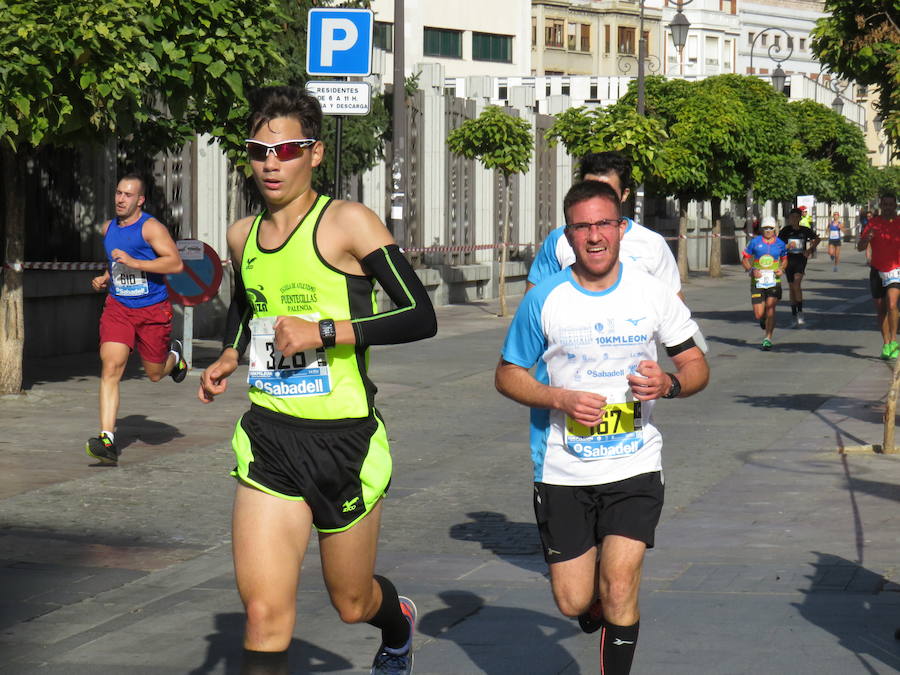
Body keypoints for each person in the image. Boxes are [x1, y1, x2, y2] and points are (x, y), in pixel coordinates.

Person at [198, 86, 437, 675]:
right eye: (259, 151)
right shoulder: (241, 235)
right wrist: (231, 355)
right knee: (262, 613)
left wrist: (324, 332)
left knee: (351, 602)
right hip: (270, 437)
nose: (271, 163)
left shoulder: (347, 222)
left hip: (345, 442)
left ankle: (397, 621)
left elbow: (418, 314)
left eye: (287, 150)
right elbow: (248, 306)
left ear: (315, 154)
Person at [496, 180, 709, 675]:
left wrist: (670, 384)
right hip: (563, 468)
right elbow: (507, 374)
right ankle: (592, 600)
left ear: (620, 228)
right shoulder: (545, 299)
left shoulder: (652, 293)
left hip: (635, 463)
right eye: (582, 226)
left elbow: (696, 365)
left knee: (619, 584)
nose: (594, 236)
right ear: (567, 235)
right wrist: (558, 397)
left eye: (603, 224)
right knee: (574, 601)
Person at [87, 174, 188, 465]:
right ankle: (107, 439)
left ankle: (175, 358)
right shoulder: (108, 228)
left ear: (140, 200)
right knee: (111, 366)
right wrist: (106, 278)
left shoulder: (151, 228)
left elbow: (175, 263)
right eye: (118, 193)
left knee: (155, 373)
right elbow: (117, 265)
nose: (120, 199)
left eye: (128, 195)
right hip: (118, 307)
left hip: (152, 310)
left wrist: (136, 263)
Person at [526, 151, 682, 300]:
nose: (596, 197)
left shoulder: (652, 243)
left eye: (607, 192)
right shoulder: (558, 240)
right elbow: (533, 306)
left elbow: (674, 309)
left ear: (625, 194)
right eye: (590, 188)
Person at [857, 194, 900, 359]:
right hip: (877, 270)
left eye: (891, 204)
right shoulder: (873, 223)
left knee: (892, 304)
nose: (888, 207)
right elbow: (860, 248)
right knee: (881, 309)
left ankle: (894, 340)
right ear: (881, 206)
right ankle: (886, 343)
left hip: (896, 270)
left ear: (895, 205)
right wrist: (868, 238)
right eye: (885, 204)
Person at [742, 216, 788, 351]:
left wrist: (782, 269)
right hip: (757, 281)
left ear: (775, 229)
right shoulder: (754, 242)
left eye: (771, 228)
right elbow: (744, 259)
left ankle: (768, 338)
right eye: (765, 228)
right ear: (762, 229)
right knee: (759, 314)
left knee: (771, 308)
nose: (768, 231)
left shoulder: (780, 244)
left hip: (774, 281)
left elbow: (785, 259)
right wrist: (751, 270)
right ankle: (763, 320)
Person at [778, 207, 820, 326]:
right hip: (788, 259)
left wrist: (810, 250)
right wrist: (785, 248)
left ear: (800, 218)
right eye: (792, 217)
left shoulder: (804, 230)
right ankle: (793, 313)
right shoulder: (785, 230)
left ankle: (800, 312)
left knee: (797, 284)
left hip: (800, 259)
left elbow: (817, 239)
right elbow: (778, 244)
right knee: (791, 287)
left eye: (797, 217)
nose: (794, 219)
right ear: (789, 218)